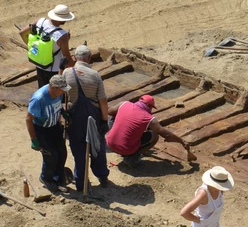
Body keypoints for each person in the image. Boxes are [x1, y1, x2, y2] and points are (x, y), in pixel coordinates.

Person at [63, 45, 111, 190]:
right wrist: (104, 120)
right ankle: (102, 176)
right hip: (93, 116)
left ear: (74, 57)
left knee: (78, 149)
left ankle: (80, 183)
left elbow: (62, 94)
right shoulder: (95, 75)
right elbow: (103, 101)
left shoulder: (66, 72)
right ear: (89, 58)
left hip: (74, 117)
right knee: (97, 147)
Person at [105, 95, 195, 163]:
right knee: (154, 135)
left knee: (114, 116)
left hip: (109, 143)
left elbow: (108, 111)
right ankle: (133, 157)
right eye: (152, 108)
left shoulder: (124, 104)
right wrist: (182, 141)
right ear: (149, 106)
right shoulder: (148, 118)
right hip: (125, 149)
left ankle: (114, 138)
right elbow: (166, 134)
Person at [27, 73, 68, 188]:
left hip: (54, 126)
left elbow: (58, 105)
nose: (64, 92)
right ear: (53, 87)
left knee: (62, 152)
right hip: (41, 129)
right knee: (50, 155)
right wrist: (34, 140)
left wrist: (63, 112)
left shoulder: (58, 94)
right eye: (62, 90)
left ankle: (57, 176)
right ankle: (46, 177)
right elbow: (29, 119)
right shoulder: (39, 98)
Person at [20, 4, 76, 88]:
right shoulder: (62, 35)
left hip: (39, 63)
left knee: (42, 89)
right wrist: (75, 70)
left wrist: (31, 47)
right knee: (55, 94)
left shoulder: (40, 21)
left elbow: (22, 33)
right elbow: (67, 57)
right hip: (53, 70)